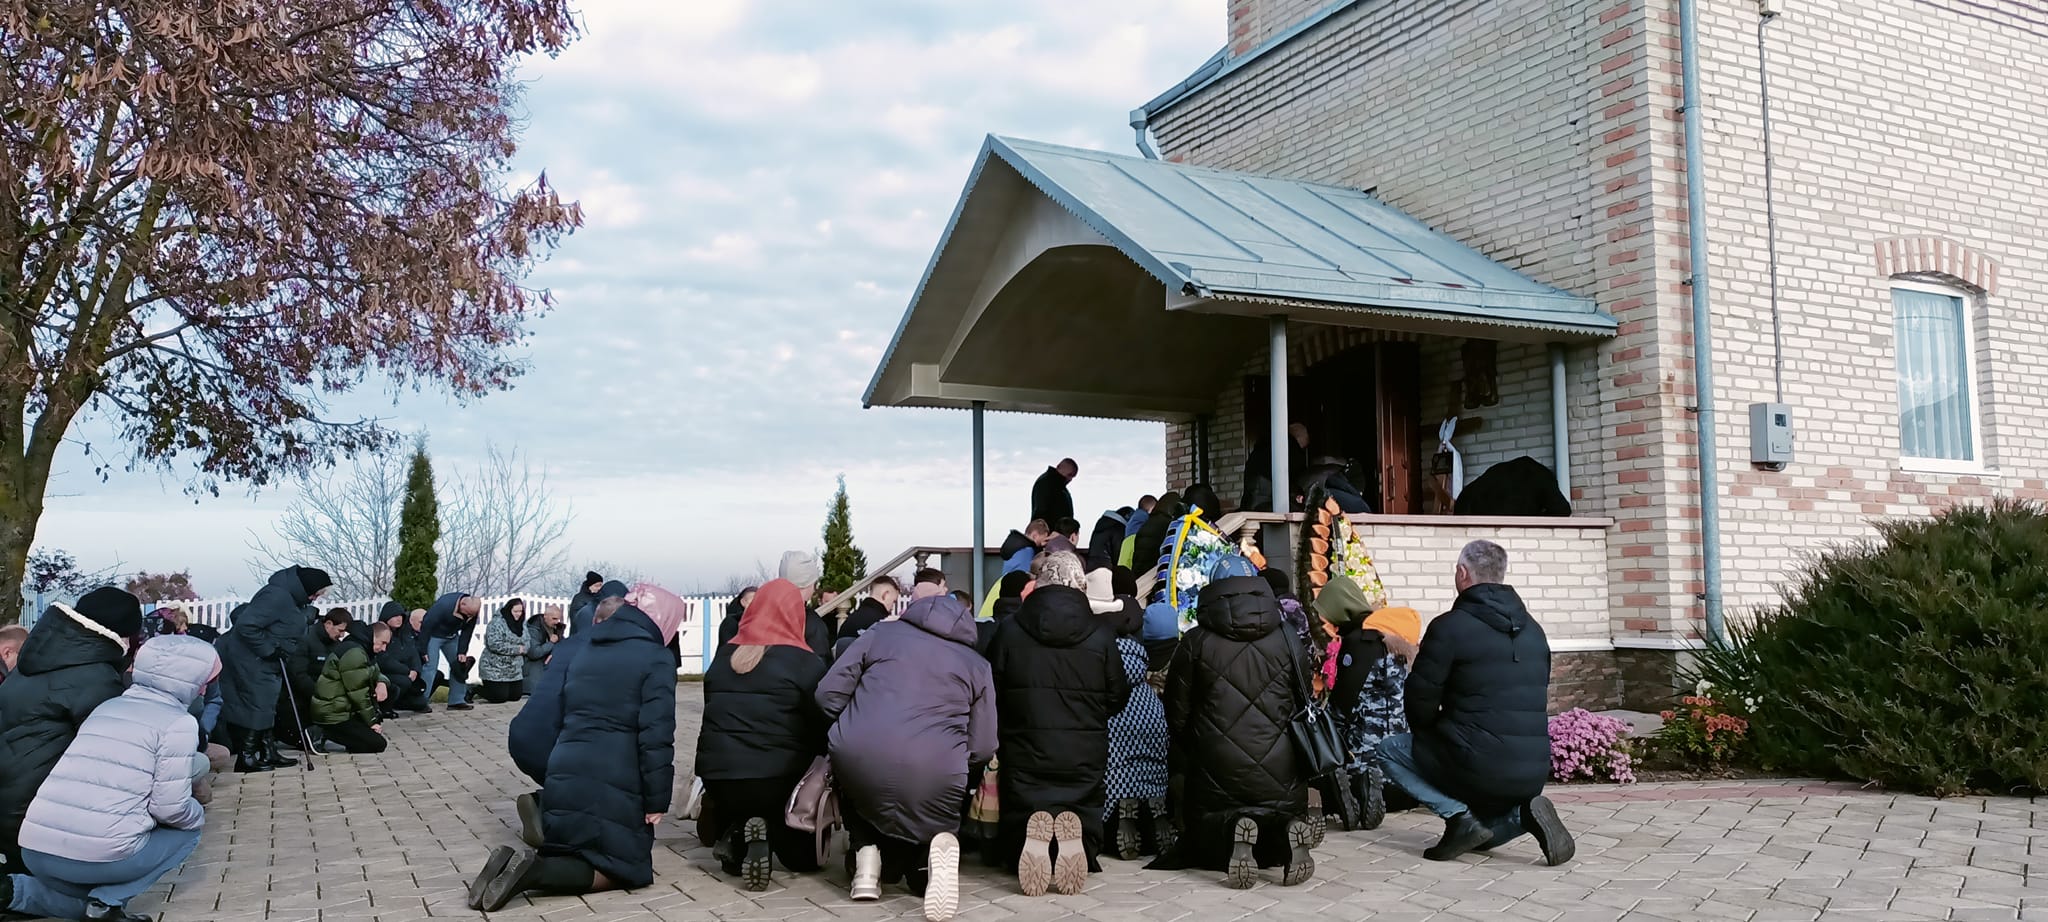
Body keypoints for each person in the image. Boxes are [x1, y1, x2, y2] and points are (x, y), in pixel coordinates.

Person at [469, 584, 685, 912]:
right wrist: (657, 799)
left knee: (571, 850)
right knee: (627, 870)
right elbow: (656, 736)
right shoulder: (656, 658)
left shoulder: (586, 648)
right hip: (615, 778)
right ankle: (532, 872)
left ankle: (509, 862)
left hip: (564, 768)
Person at [1377, 540, 1574, 865]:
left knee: (1388, 750)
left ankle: (1457, 817)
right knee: (1483, 836)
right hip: (1532, 771)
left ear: (1462, 573)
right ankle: (1524, 815)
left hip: (1475, 764)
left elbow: (1419, 700)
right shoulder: (1534, 631)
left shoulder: (1449, 627)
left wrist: (1431, 738)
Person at [1, 635, 215, 922]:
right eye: (204, 679)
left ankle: (15, 891)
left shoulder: (107, 707)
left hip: (35, 850)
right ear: (188, 681)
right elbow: (170, 807)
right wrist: (196, 813)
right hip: (98, 856)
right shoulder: (178, 723)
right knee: (188, 832)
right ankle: (107, 902)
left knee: (82, 900)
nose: (205, 687)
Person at [816, 594, 994, 922]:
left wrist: (852, 724)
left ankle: (866, 859)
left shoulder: (878, 635)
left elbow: (827, 694)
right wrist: (958, 761)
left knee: (857, 787)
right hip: (936, 765)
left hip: (860, 750)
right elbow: (983, 745)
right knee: (931, 809)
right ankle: (930, 859)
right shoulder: (977, 665)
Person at [1150, 556, 1315, 890]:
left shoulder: (1195, 642)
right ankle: (1286, 832)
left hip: (1217, 763)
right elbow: (1305, 699)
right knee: (1278, 809)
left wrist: (1196, 746)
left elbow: (1176, 713)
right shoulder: (1287, 638)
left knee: (1209, 820)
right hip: (1282, 764)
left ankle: (1234, 829)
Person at [985, 552, 1128, 896]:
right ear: (1080, 585)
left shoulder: (1010, 629)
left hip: (1024, 746)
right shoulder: (1100, 633)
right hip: (1083, 750)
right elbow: (1118, 694)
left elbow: (992, 688)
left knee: (1024, 800)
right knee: (1081, 802)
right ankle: (1079, 839)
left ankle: (1027, 840)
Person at [695, 580, 828, 891]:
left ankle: (741, 833)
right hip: (777, 780)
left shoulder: (723, 657)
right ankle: (769, 832)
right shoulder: (805, 662)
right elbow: (821, 724)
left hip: (720, 777)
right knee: (804, 861)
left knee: (737, 844)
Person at [0, 587, 143, 868]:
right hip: (35, 819)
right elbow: (108, 756)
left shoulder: (34, 660)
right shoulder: (95, 676)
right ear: (123, 635)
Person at [507, 596, 624, 847]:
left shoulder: (567, 645)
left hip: (521, 735)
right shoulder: (607, 649)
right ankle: (547, 810)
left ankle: (548, 801)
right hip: (552, 746)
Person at [1314, 578, 1421, 832]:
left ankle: (1352, 798)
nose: (1325, 620)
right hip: (1403, 774)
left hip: (1365, 766)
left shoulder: (1359, 642)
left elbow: (1343, 705)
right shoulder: (1391, 635)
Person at [215, 566, 327, 772]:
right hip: (253, 658)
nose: (317, 597)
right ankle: (246, 757)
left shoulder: (291, 599)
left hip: (269, 659)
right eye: (318, 592)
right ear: (307, 587)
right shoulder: (276, 596)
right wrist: (269, 650)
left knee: (268, 703)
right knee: (260, 702)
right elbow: (247, 625)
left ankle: (268, 751)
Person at [1092, 571, 1170, 861]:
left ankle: (1115, 819)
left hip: (1116, 710)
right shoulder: (1139, 645)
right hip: (1148, 709)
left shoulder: (1102, 639)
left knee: (1116, 768)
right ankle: (1154, 814)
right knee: (1150, 767)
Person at [311, 621, 390, 754]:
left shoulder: (363, 648)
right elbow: (359, 693)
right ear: (373, 637)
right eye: (383, 643)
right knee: (378, 744)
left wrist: (382, 683)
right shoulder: (355, 653)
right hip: (333, 712)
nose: (384, 649)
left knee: (366, 743)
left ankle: (345, 736)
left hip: (343, 708)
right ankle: (321, 731)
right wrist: (371, 722)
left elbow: (376, 671)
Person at [281, 608, 347, 754]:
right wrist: (320, 693)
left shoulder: (335, 645)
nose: (341, 635)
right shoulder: (306, 639)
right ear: (328, 624)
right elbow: (298, 674)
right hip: (303, 694)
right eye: (340, 630)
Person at [421, 591, 481, 710]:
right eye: (467, 613)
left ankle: (456, 700)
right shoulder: (444, 605)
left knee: (458, 665)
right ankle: (421, 701)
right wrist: (423, 649)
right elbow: (426, 626)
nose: (468, 617)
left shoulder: (472, 610)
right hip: (433, 635)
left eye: (471, 615)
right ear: (462, 604)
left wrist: (462, 652)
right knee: (430, 667)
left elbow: (467, 632)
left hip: (452, 636)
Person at [776, 551, 835, 661]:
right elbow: (820, 670)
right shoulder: (812, 624)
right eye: (814, 583)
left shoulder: (761, 613)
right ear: (808, 584)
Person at [375, 602, 429, 715]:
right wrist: (406, 671)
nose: (399, 619)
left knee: (421, 704)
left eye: (401, 616)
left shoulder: (405, 634)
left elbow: (414, 653)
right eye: (395, 616)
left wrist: (415, 670)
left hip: (408, 673)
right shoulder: (379, 633)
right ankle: (385, 706)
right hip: (388, 673)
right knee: (403, 681)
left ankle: (399, 701)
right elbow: (384, 660)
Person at [832, 577, 898, 660]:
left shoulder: (850, 621)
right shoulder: (883, 625)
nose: (893, 607)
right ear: (885, 595)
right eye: (894, 601)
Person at [479, 598, 530, 704]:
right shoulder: (496, 623)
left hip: (514, 669)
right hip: (495, 667)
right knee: (500, 697)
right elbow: (494, 644)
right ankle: (475, 689)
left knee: (515, 696)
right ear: (509, 610)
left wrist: (525, 648)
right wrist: (516, 649)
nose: (518, 614)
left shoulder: (522, 624)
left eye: (520, 611)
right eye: (515, 611)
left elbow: (527, 641)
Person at [524, 606, 564, 696]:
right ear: (545, 616)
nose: (556, 622)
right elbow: (533, 653)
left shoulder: (556, 629)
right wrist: (551, 643)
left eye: (558, 619)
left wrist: (554, 653)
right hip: (533, 674)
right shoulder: (533, 630)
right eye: (554, 618)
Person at [1030, 458, 1077, 526]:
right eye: (1069, 475)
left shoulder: (1057, 484)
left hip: (1058, 533)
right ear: (1058, 467)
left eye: (1072, 476)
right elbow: (1040, 511)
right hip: (1049, 533)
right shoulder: (1046, 483)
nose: (1070, 479)